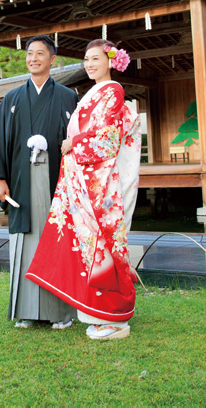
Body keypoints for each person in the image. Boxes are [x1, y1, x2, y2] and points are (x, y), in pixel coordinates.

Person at [25, 39, 141, 341]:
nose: (89, 64)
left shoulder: (113, 91)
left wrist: (74, 143)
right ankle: (95, 312)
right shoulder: (93, 92)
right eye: (86, 60)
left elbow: (107, 138)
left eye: (95, 59)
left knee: (103, 247)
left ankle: (114, 317)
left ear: (110, 61)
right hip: (84, 179)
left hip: (98, 185)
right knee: (88, 248)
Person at [0, 35, 79, 329]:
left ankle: (60, 312)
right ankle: (25, 311)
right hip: (22, 180)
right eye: (29, 54)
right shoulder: (12, 99)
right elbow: (0, 141)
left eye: (40, 54)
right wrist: (0, 179)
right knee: (24, 243)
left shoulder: (67, 96)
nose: (33, 58)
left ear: (52, 60)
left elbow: (75, 139)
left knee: (56, 239)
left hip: (55, 179)